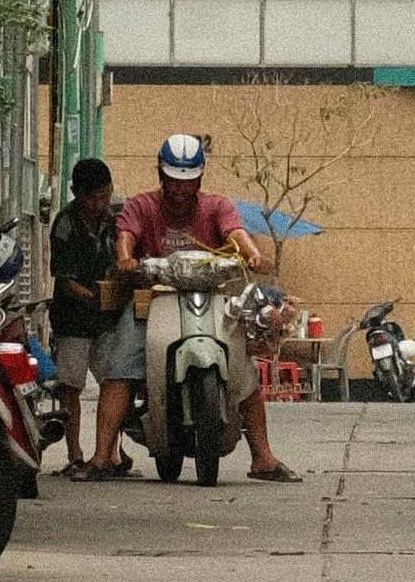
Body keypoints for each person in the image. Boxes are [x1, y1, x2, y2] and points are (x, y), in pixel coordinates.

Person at [99, 129, 294, 480]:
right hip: (153, 297)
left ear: (200, 177)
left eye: (188, 181)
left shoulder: (217, 205)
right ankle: (100, 458)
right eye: (173, 180)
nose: (180, 188)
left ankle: (262, 458)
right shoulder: (141, 205)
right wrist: (126, 258)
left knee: (244, 371)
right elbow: (126, 235)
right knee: (121, 367)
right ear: (161, 175)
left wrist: (251, 254)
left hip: (210, 297)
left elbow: (235, 232)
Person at [46, 159, 115, 463]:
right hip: (72, 319)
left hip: (107, 319)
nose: (100, 204)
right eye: (93, 198)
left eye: (105, 195)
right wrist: (95, 298)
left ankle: (113, 454)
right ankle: (75, 454)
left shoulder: (115, 222)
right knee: (70, 387)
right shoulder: (65, 224)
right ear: (76, 193)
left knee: (115, 383)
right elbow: (64, 282)